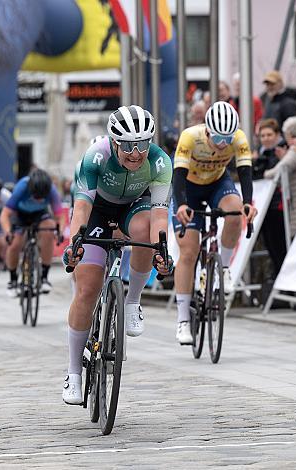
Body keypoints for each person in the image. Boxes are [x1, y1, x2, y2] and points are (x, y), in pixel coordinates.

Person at [61, 105, 173, 405]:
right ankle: (73, 372)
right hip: (96, 209)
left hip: (135, 206)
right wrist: (75, 245)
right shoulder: (95, 157)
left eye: (142, 145)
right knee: (86, 289)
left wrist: (162, 252)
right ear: (113, 142)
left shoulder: (160, 162)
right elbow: (82, 209)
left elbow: (160, 217)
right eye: (127, 146)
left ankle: (133, 300)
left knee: (144, 229)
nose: (135, 153)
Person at [172, 101, 258, 346]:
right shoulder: (190, 137)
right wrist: (180, 205)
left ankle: (225, 269)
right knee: (188, 251)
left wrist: (248, 203)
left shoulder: (238, 138)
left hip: (217, 183)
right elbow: (177, 177)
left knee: (234, 212)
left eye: (227, 138)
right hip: (188, 189)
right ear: (207, 130)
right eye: (218, 137)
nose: (223, 143)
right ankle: (183, 320)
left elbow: (245, 171)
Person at [0, 168, 65, 297]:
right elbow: (4, 215)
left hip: (39, 215)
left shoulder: (51, 190)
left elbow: (60, 216)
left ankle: (44, 278)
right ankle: (13, 281)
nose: (39, 200)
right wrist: (8, 232)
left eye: (42, 197)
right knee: (15, 244)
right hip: (20, 215)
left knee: (49, 231)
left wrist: (60, 232)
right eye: (36, 196)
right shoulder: (22, 187)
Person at [252, 119, 287, 277]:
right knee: (271, 248)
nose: (266, 138)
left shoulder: (282, 152)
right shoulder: (260, 154)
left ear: (277, 135)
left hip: (277, 206)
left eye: (269, 135)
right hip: (263, 206)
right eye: (262, 135)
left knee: (280, 247)